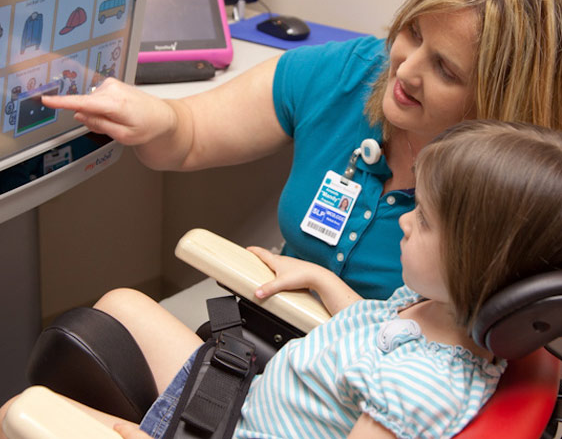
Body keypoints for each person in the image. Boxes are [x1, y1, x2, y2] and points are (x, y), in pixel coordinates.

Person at [42, 0, 562, 300]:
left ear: (498, 101)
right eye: (414, 33)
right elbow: (189, 135)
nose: (405, 69)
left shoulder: (520, 193)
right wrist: (157, 118)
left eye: (445, 69)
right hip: (281, 335)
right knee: (107, 320)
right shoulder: (351, 72)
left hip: (385, 394)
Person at [2, 120, 561, 439]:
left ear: (477, 263)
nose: (408, 219)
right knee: (123, 301)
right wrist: (320, 277)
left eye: (427, 218)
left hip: (238, 430)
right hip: (244, 404)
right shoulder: (438, 308)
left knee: (22, 414)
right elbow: (371, 330)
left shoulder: (419, 391)